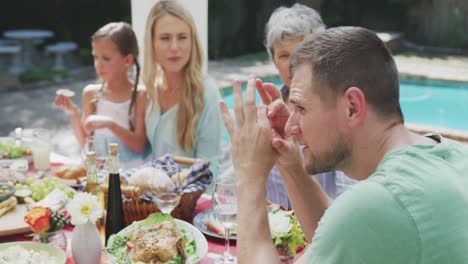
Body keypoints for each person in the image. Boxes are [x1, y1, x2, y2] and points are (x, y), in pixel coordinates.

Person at [219, 27, 468, 263]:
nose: (291, 126)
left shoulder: (379, 204)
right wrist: (289, 163)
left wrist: (249, 175)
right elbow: (339, 237)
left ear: (352, 107)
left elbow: (360, 221)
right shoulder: (450, 156)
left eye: (301, 108)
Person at [262, 3, 354, 208]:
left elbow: (350, 198)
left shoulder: (339, 113)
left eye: (302, 52)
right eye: (284, 55)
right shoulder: (266, 111)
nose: (293, 64)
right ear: (274, 61)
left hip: (325, 229)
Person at [143, 0, 223, 177]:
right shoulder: (150, 89)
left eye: (182, 37)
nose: (174, 47)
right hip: (153, 200)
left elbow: (210, 169)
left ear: (192, 42)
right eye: (165, 38)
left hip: (193, 201)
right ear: (152, 43)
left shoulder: (206, 94)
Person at [55, 22, 150, 169]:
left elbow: (138, 145)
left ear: (128, 60)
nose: (99, 64)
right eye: (95, 57)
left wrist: (110, 124)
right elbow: (86, 144)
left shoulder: (139, 95)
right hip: (100, 174)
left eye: (106, 58)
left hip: (130, 174)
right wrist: (73, 114)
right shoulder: (91, 93)